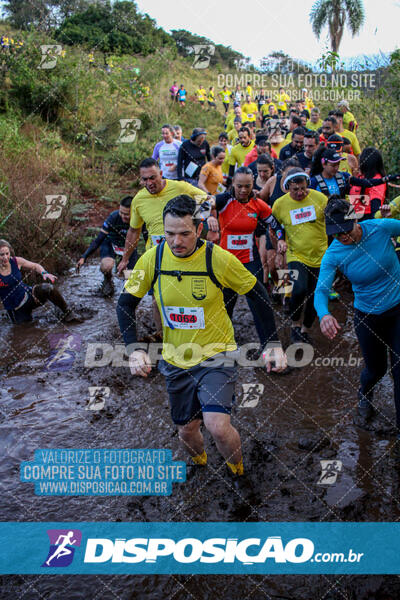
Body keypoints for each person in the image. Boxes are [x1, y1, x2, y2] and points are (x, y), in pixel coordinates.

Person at [117, 195, 286, 485]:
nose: (176, 241)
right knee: (186, 430)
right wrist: (134, 350)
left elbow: (256, 292)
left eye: (184, 233)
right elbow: (125, 304)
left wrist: (272, 345)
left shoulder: (217, 258)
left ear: (199, 229)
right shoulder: (153, 258)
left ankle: (238, 471)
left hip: (217, 354)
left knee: (217, 427)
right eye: (169, 234)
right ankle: (200, 462)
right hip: (175, 359)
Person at [314, 198, 400, 455]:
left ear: (355, 220)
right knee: (376, 369)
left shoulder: (381, 227)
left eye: (346, 229)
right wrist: (324, 315)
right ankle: (365, 394)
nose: (342, 236)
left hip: (397, 309)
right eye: (335, 232)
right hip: (368, 317)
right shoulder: (334, 253)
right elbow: (321, 290)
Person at [272, 168, 328, 345]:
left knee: (315, 294)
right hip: (296, 254)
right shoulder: (280, 204)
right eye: (295, 189)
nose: (300, 193)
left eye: (303, 188)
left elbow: (333, 220)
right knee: (299, 289)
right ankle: (295, 325)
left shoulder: (320, 199)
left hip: (321, 254)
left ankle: (306, 328)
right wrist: (280, 240)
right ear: (287, 187)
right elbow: (275, 225)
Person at [0, 240, 80, 324]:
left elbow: (35, 266)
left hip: (29, 296)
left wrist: (44, 273)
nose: (5, 257)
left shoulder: (16, 261)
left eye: (7, 253)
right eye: (1, 255)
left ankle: (67, 314)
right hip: (16, 309)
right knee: (24, 332)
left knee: (48, 288)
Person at [77, 196, 135, 297]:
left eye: (126, 214)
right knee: (106, 266)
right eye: (121, 212)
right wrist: (84, 257)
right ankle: (108, 279)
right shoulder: (113, 217)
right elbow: (99, 239)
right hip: (110, 244)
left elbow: (148, 239)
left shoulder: (140, 219)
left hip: (129, 246)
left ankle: (127, 297)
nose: (123, 216)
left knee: (133, 281)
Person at [349, 147, 387, 218]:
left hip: (367, 219)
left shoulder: (377, 180)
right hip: (354, 217)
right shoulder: (360, 176)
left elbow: (375, 205)